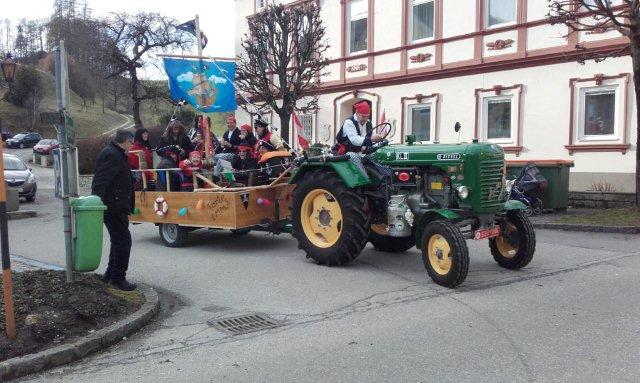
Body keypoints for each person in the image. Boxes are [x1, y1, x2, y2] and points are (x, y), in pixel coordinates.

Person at [91, 129, 137, 291]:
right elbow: (100, 181)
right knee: (124, 241)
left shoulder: (115, 153)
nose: (132, 145)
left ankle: (110, 275)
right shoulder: (112, 154)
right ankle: (118, 278)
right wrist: (97, 203)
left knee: (118, 241)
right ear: (125, 141)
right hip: (113, 207)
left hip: (117, 205)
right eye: (131, 142)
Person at [334, 101, 387, 179]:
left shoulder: (368, 123)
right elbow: (354, 140)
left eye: (367, 116)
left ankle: (388, 176)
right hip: (349, 151)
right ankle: (365, 179)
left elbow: (373, 141)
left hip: (364, 153)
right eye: (363, 116)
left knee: (377, 155)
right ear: (357, 113)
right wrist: (372, 139)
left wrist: (380, 142)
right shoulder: (349, 122)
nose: (365, 119)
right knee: (353, 156)